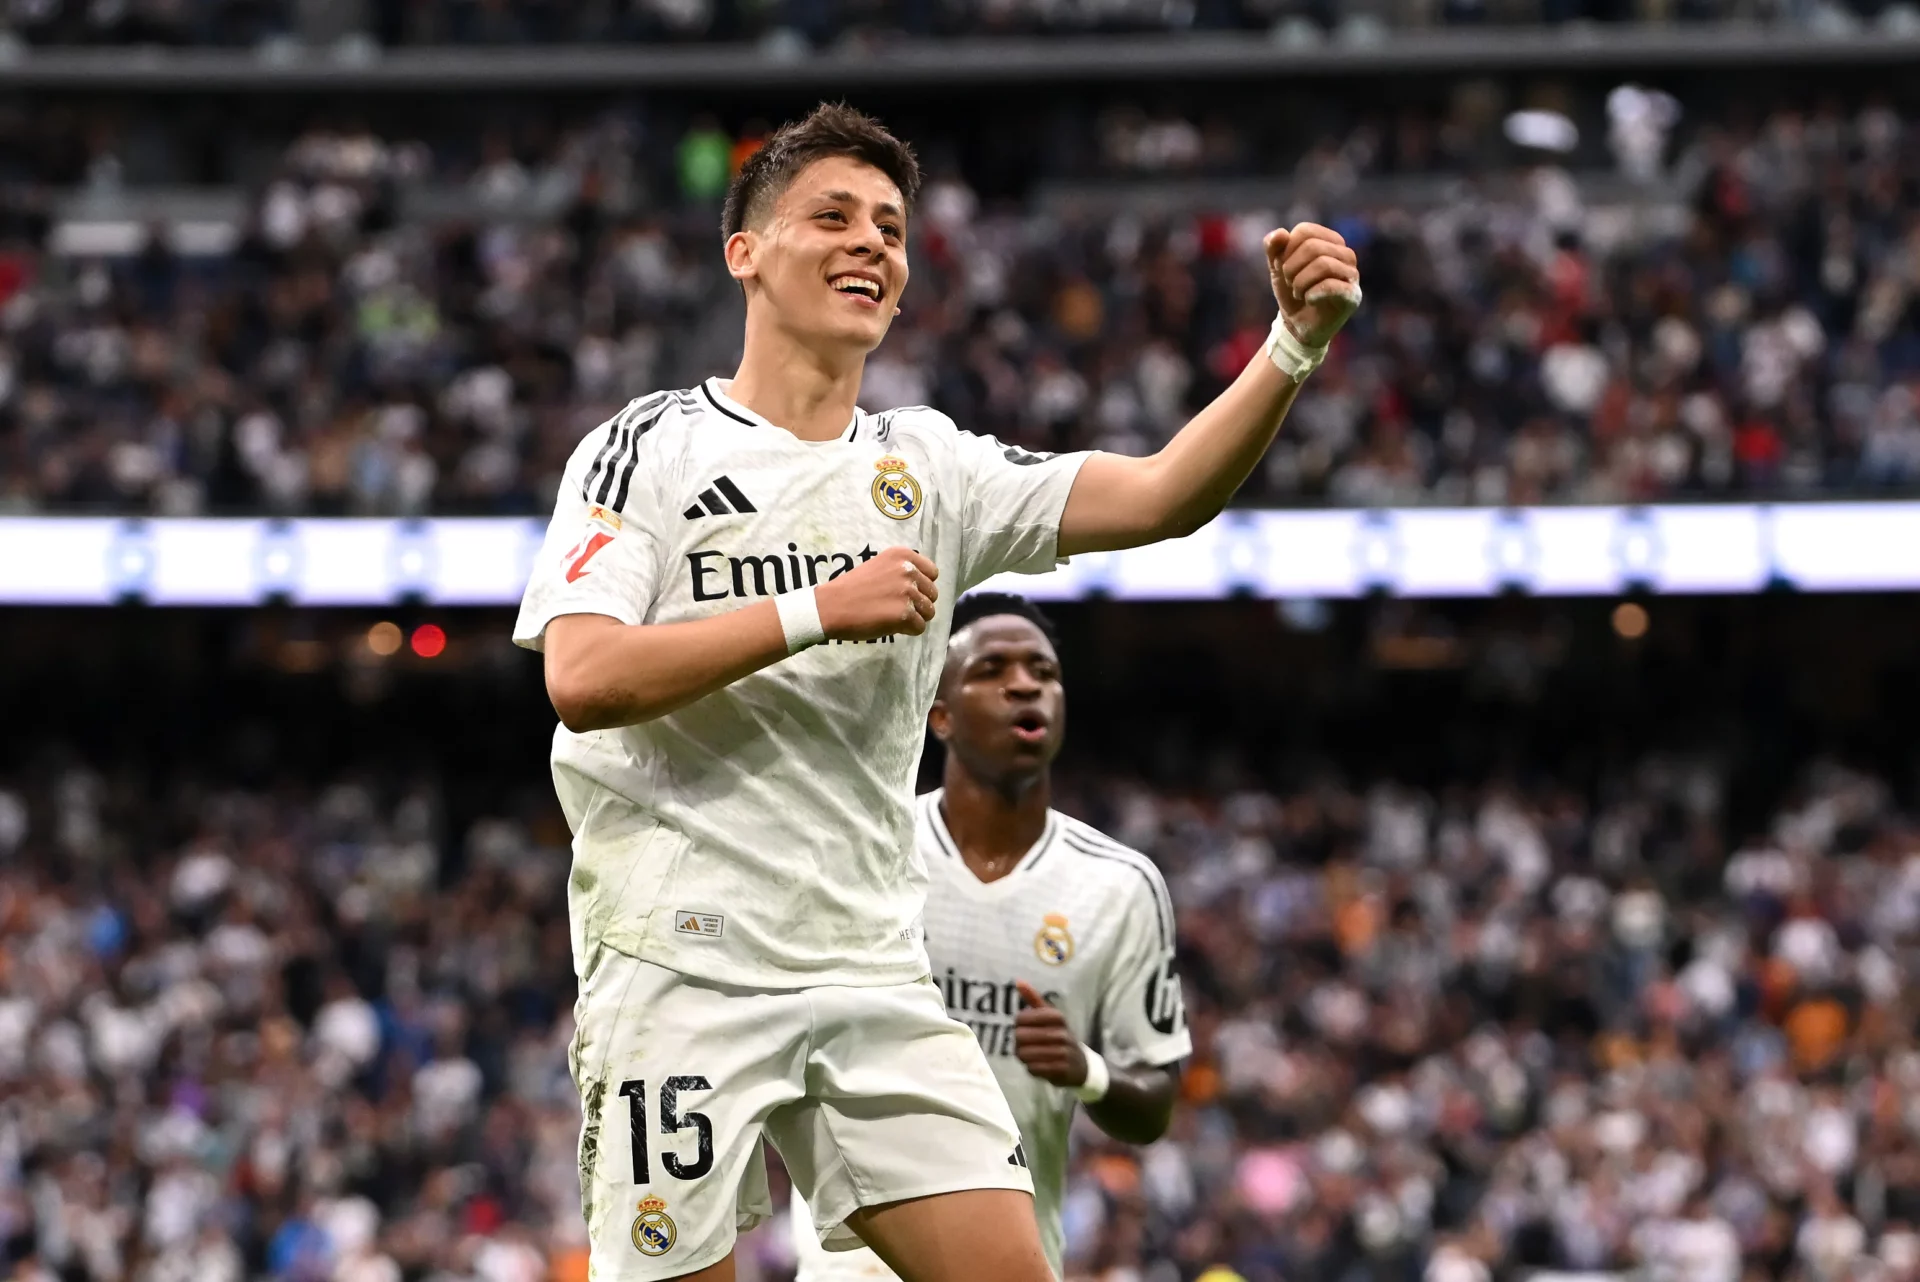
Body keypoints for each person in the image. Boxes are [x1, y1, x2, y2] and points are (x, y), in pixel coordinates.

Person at [512, 102, 1360, 1282]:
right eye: (833, 216)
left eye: (892, 228)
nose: (871, 241)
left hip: (867, 966)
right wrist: (820, 606)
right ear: (744, 252)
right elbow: (584, 676)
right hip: (682, 969)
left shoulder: (931, 465)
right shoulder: (648, 447)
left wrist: (1292, 348)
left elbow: (1164, 494)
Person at [790, 591, 1190, 1280]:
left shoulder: (1121, 886)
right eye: (992, 669)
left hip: (1013, 1259)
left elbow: (1155, 1104)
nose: (1025, 685)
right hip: (853, 1266)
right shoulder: (864, 854)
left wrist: (1086, 1069)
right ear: (939, 713)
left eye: (1044, 671)